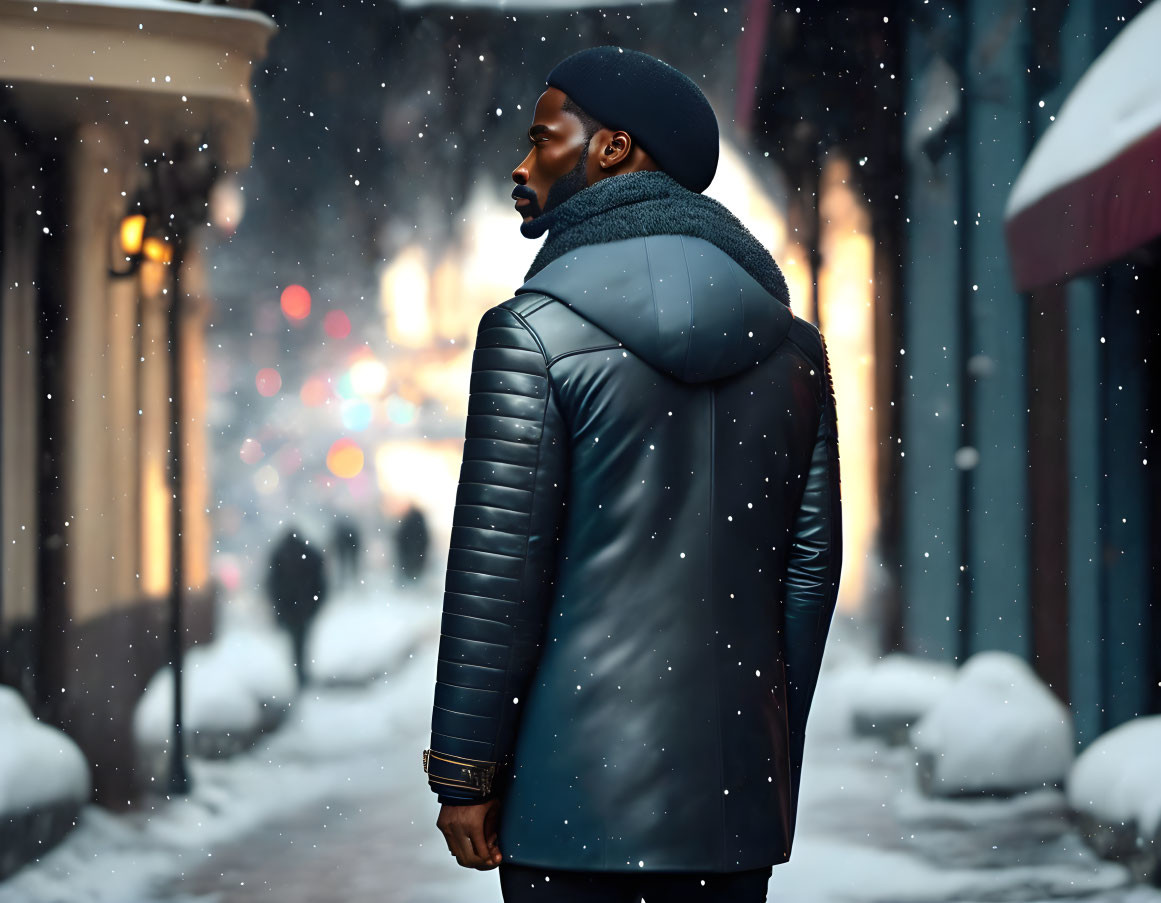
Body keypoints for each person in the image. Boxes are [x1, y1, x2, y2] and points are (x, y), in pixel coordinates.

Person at [424, 46, 842, 903]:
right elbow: (807, 576)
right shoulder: (794, 351)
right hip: (728, 814)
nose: (520, 162)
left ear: (612, 149)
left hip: (568, 800)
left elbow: (498, 573)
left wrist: (466, 772)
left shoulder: (532, 336)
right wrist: (757, 748)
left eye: (543, 138)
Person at [266, 527, 327, 687]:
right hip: (303, 607)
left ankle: (299, 673)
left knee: (295, 642)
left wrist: (279, 607)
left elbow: (272, 584)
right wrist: (314, 604)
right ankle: (301, 673)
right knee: (302, 640)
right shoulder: (309, 554)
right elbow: (320, 582)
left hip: (290, 608)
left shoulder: (280, 554)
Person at [395, 502, 430, 586]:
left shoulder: (407, 520)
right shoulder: (419, 522)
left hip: (409, 552)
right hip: (416, 552)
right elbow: (425, 538)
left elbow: (401, 537)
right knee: (415, 573)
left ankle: (409, 586)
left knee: (409, 572)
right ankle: (413, 586)